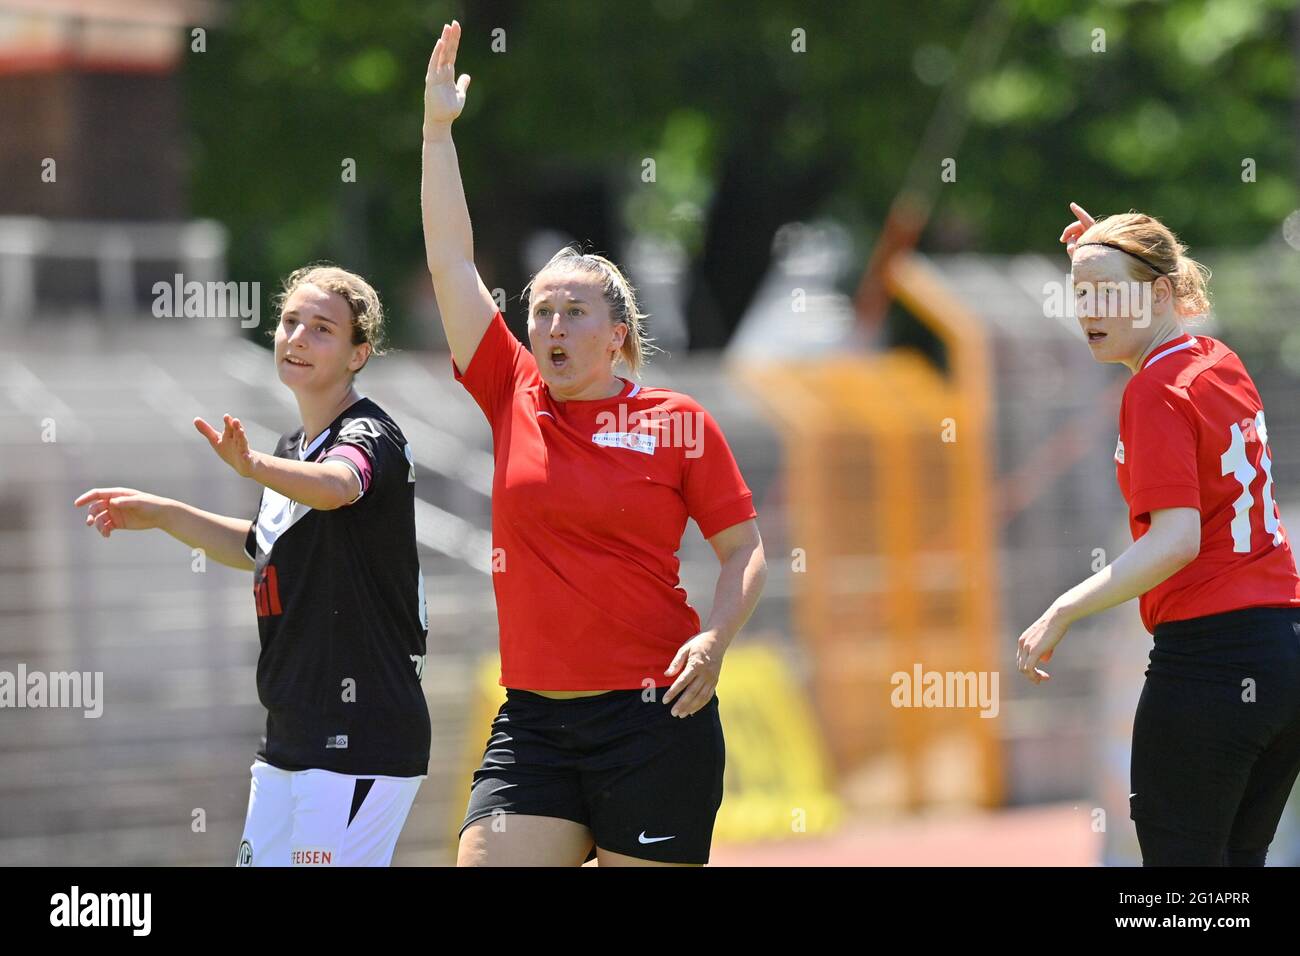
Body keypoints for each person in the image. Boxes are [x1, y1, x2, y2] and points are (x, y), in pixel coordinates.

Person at [420, 20, 768, 866]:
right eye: (540, 310)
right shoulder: (510, 391)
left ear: (617, 336)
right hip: (533, 722)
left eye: (575, 312)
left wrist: (715, 643)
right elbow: (453, 266)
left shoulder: (677, 422)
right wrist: (436, 133)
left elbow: (745, 551)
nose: (551, 326)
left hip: (654, 719)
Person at [74, 265, 430, 867]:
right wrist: (164, 514)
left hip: (359, 734)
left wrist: (254, 468)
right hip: (289, 733)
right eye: (290, 322)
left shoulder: (370, 434)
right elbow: (259, 546)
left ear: (358, 354)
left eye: (322, 329)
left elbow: (340, 486)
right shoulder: (293, 448)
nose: (297, 337)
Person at [1017, 203, 1300, 865]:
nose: (1089, 309)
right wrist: (1107, 257)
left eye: (1107, 293)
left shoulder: (1153, 390)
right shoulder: (1217, 360)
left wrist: (1063, 609)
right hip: (1282, 656)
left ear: (1161, 293)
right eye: (1080, 293)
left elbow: (1177, 542)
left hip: (1212, 662)